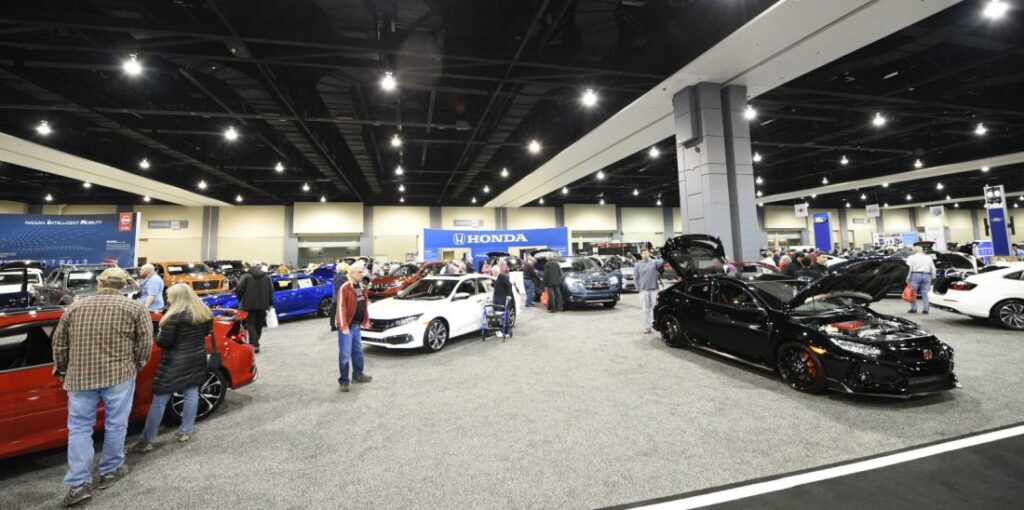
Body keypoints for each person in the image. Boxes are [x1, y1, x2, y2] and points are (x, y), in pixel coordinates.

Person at [51, 267, 152, 507]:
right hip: (119, 376)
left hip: (80, 378)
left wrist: (64, 369)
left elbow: (60, 344)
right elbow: (145, 345)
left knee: (79, 428)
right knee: (116, 424)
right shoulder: (136, 308)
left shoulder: (75, 307)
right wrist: (135, 365)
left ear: (99, 283)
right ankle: (110, 470)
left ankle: (78, 484)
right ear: (124, 285)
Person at [126, 283, 213, 453]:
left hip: (175, 361)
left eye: (170, 296)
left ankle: (146, 440)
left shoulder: (173, 317)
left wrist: (159, 333)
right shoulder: (204, 312)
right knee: (191, 393)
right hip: (196, 357)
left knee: (159, 400)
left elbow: (164, 342)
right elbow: (205, 333)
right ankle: (185, 432)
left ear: (178, 298)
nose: (167, 298)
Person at [336, 262, 372, 391]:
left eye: (363, 272)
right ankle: (344, 381)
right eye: (360, 272)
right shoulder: (345, 287)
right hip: (347, 327)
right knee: (345, 355)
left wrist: (366, 319)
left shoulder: (361, 287)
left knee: (358, 352)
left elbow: (364, 305)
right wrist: (343, 325)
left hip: (356, 326)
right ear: (352, 274)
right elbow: (340, 308)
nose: (362, 274)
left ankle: (358, 375)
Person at [235, 260, 273, 353]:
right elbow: (271, 291)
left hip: (248, 304)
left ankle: (254, 344)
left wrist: (241, 299)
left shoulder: (245, 276)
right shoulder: (267, 277)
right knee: (259, 325)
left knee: (250, 324)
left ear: (251, 267)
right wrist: (270, 303)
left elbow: (239, 288)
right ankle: (255, 343)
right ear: (260, 267)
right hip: (263, 304)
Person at [635, 248, 664, 334]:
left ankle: (656, 326)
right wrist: (639, 289)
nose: (646, 255)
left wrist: (664, 252)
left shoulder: (655, 262)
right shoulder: (638, 265)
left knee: (655, 308)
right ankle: (647, 327)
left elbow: (663, 260)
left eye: (647, 253)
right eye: (644, 253)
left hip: (654, 290)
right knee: (646, 309)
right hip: (644, 291)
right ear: (641, 255)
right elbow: (635, 278)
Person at [906, 245, 936, 314]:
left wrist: (907, 278)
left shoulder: (911, 257)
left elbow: (909, 268)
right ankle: (926, 309)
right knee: (926, 293)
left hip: (915, 275)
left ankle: (914, 309)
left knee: (913, 293)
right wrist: (933, 277)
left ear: (914, 250)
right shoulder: (928, 258)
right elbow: (933, 268)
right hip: (927, 275)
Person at [491, 265, 513, 337]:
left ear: (495, 271)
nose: (492, 273)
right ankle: (499, 331)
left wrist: (508, 295)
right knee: (498, 315)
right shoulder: (497, 277)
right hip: (498, 299)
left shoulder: (502, 276)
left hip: (502, 299)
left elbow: (509, 285)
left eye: (492, 271)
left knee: (502, 315)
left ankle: (505, 331)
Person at [329, 263, 349, 332]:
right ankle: (339, 325)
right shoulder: (344, 277)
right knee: (340, 311)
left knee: (333, 312)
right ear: (343, 269)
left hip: (334, 296)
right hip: (341, 297)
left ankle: (332, 325)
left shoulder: (335, 276)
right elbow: (347, 286)